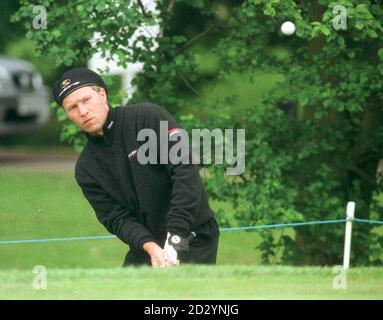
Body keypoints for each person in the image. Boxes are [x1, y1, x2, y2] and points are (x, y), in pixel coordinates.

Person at [52, 68, 220, 267]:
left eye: (86, 100)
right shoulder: (86, 169)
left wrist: (175, 237)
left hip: (192, 235)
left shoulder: (146, 118)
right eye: (72, 107)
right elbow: (117, 218)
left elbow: (185, 170)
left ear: (102, 95)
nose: (82, 111)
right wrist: (150, 247)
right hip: (147, 247)